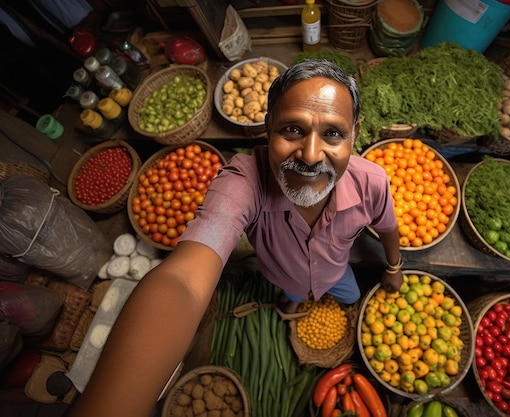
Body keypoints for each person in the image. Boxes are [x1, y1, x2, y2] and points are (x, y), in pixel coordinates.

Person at [65, 59, 403, 417]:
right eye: (292, 129)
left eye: (333, 134)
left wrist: (393, 266)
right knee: (292, 295)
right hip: (283, 277)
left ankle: (311, 295)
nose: (310, 155)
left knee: (349, 294)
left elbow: (387, 228)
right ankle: (294, 300)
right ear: (267, 126)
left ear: (355, 132)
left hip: (336, 273)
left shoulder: (372, 182)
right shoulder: (243, 181)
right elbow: (183, 281)